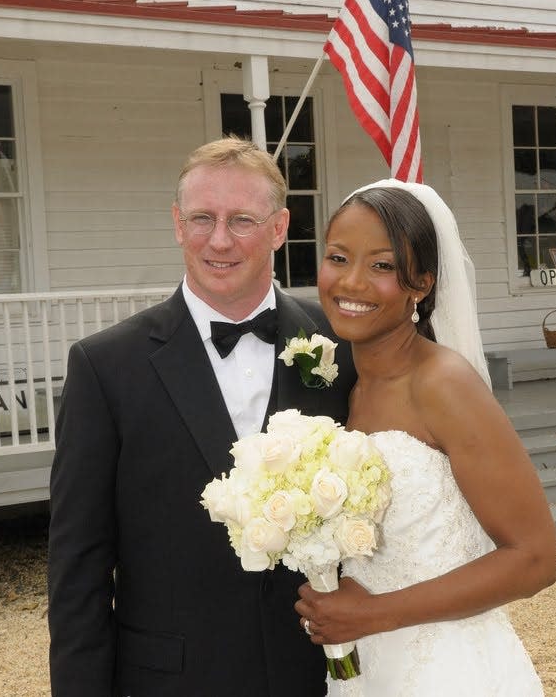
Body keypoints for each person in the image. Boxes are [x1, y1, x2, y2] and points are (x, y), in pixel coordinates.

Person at [47, 137, 357, 697]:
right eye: (202, 218)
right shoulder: (105, 366)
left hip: (318, 675)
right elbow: (78, 568)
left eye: (242, 219)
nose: (219, 240)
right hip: (172, 680)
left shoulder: (340, 346)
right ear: (176, 223)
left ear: (281, 227)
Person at [295, 179, 556, 696]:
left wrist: (374, 613)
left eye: (382, 266)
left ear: (421, 282)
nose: (351, 283)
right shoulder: (343, 382)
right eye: (337, 257)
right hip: (367, 667)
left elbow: (535, 558)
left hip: (447, 668)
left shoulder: (444, 384)